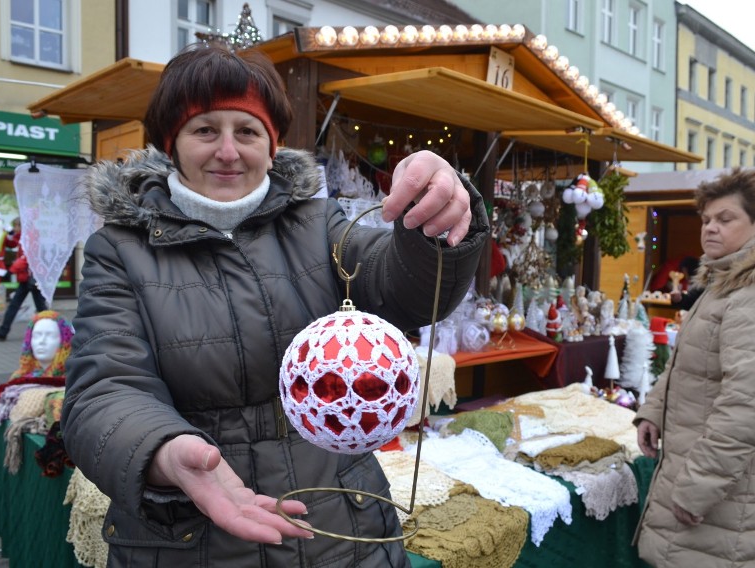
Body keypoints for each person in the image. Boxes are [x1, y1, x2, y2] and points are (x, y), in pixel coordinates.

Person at [61, 43, 489, 567]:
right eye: (204, 130)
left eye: (246, 131)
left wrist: (434, 225)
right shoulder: (120, 249)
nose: (227, 150)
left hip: (341, 531)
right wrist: (165, 450)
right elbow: (104, 388)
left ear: (273, 142)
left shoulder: (318, 223)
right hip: (191, 541)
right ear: (171, 143)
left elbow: (402, 286)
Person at [634, 167, 755, 567]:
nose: (710, 228)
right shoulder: (726, 282)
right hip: (713, 476)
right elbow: (690, 363)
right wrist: (655, 411)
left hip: (736, 494)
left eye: (725, 219)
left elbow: (748, 406)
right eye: (706, 219)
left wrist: (697, 489)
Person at [0, 224, 49, 340]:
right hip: (27, 278)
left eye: (15, 226)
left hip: (31, 278)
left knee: (40, 308)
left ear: (20, 226)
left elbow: (26, 258)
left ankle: (53, 329)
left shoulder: (30, 238)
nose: (14, 229)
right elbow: (15, 243)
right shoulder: (25, 237)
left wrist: (11, 270)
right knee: (21, 305)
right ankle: (3, 330)